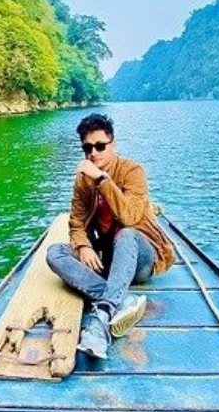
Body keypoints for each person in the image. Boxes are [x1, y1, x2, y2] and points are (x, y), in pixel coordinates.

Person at [46, 113, 175, 359]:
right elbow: (76, 221)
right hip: (108, 259)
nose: (93, 153)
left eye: (100, 146)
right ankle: (120, 300)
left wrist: (102, 179)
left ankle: (102, 317)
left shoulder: (132, 171)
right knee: (55, 253)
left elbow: (130, 217)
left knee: (126, 234)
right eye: (87, 148)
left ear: (113, 145)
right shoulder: (83, 180)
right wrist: (83, 246)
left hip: (140, 257)